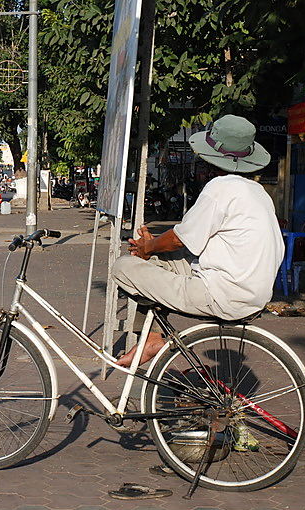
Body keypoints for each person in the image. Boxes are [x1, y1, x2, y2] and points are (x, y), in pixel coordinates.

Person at [112, 114, 284, 368]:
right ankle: (150, 335)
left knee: (124, 267)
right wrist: (152, 250)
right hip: (253, 292)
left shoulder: (220, 189)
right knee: (157, 260)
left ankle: (153, 339)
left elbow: (180, 239)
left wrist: (147, 246)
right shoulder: (257, 192)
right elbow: (183, 240)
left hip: (224, 295)